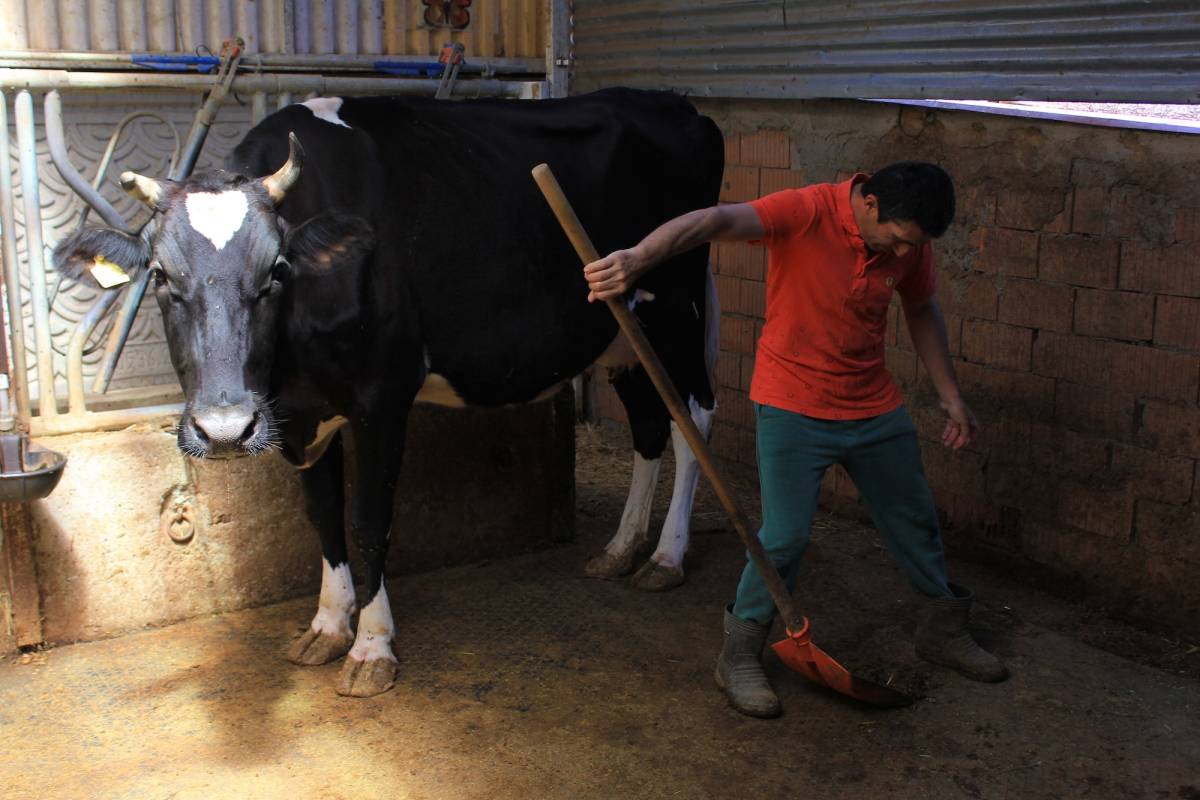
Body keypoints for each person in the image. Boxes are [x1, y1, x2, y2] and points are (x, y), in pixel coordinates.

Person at [583, 161, 1008, 718]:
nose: (906, 253)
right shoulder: (805, 211)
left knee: (915, 519)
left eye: (916, 245)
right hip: (793, 405)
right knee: (782, 539)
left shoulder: (910, 246)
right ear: (871, 204)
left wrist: (949, 394)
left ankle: (944, 631)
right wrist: (638, 258)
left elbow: (921, 308)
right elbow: (713, 220)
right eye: (900, 239)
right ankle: (739, 655)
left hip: (872, 406)